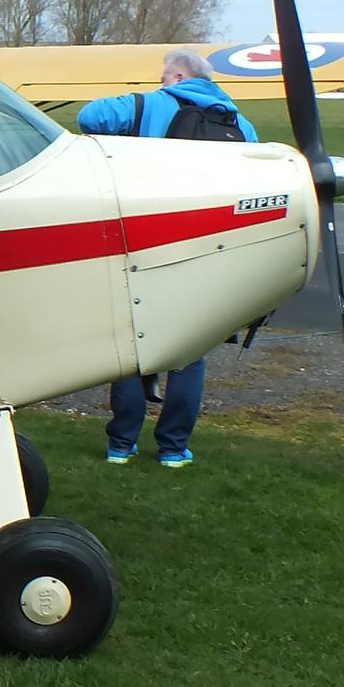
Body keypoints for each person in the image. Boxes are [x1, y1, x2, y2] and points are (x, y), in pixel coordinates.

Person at [77, 48, 259, 468]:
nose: (160, 82)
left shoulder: (151, 103)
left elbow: (90, 117)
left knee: (131, 342)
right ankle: (174, 449)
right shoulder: (239, 123)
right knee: (189, 351)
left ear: (178, 77)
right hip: (207, 248)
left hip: (144, 242)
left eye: (163, 76)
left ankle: (121, 444)